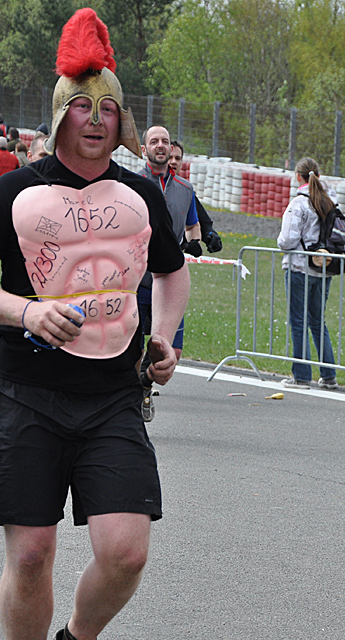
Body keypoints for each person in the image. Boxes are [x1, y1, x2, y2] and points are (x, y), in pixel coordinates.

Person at [0, 9, 189, 640]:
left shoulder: (140, 194)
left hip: (112, 393)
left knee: (127, 550)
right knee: (30, 553)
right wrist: (24, 311)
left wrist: (164, 337)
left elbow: (171, 271)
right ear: (60, 117)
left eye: (108, 106)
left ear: (122, 119)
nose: (97, 117)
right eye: (82, 105)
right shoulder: (16, 189)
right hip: (28, 392)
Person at [135, 124, 200, 421]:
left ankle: (143, 386)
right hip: (136, 281)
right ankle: (129, 398)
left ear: (171, 149)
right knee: (132, 348)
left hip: (169, 280)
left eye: (164, 141)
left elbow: (192, 226)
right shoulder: (132, 185)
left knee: (171, 352)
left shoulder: (185, 189)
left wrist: (198, 241)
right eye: (154, 141)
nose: (160, 145)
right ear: (144, 148)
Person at [276, 157, 344, 390]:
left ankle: (302, 375)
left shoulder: (299, 203)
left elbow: (287, 240)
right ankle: (328, 374)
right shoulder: (329, 200)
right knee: (317, 322)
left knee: (298, 320)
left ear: (298, 176)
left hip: (299, 267)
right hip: (323, 268)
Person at [169, 140, 223, 254]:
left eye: (177, 158)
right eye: (170, 157)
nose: (173, 162)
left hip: (173, 257)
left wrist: (210, 235)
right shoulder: (148, 184)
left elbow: (201, 220)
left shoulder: (185, 190)